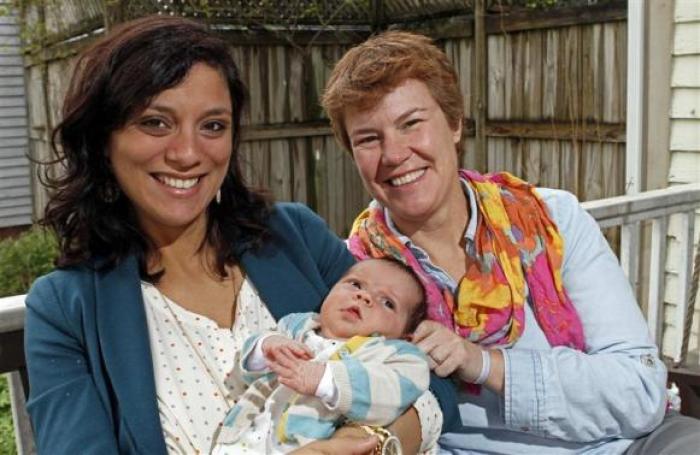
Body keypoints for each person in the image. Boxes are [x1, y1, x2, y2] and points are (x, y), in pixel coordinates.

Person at [22, 16, 451, 455]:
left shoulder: (291, 235)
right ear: (102, 140)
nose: (188, 153)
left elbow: (432, 382)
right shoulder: (65, 310)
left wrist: (366, 444)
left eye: (212, 125)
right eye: (155, 123)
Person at [322, 30, 700, 454]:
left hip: (625, 444)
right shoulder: (353, 274)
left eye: (411, 123)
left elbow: (639, 390)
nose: (393, 154)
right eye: (368, 139)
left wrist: (483, 363)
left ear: (454, 124)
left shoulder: (551, 221)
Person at [213, 258, 430, 454]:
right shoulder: (296, 327)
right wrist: (264, 348)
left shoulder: (392, 355)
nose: (363, 296)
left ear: (404, 336)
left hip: (307, 446)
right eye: (355, 284)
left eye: (388, 303)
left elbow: (391, 395)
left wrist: (326, 380)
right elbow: (245, 374)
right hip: (240, 442)